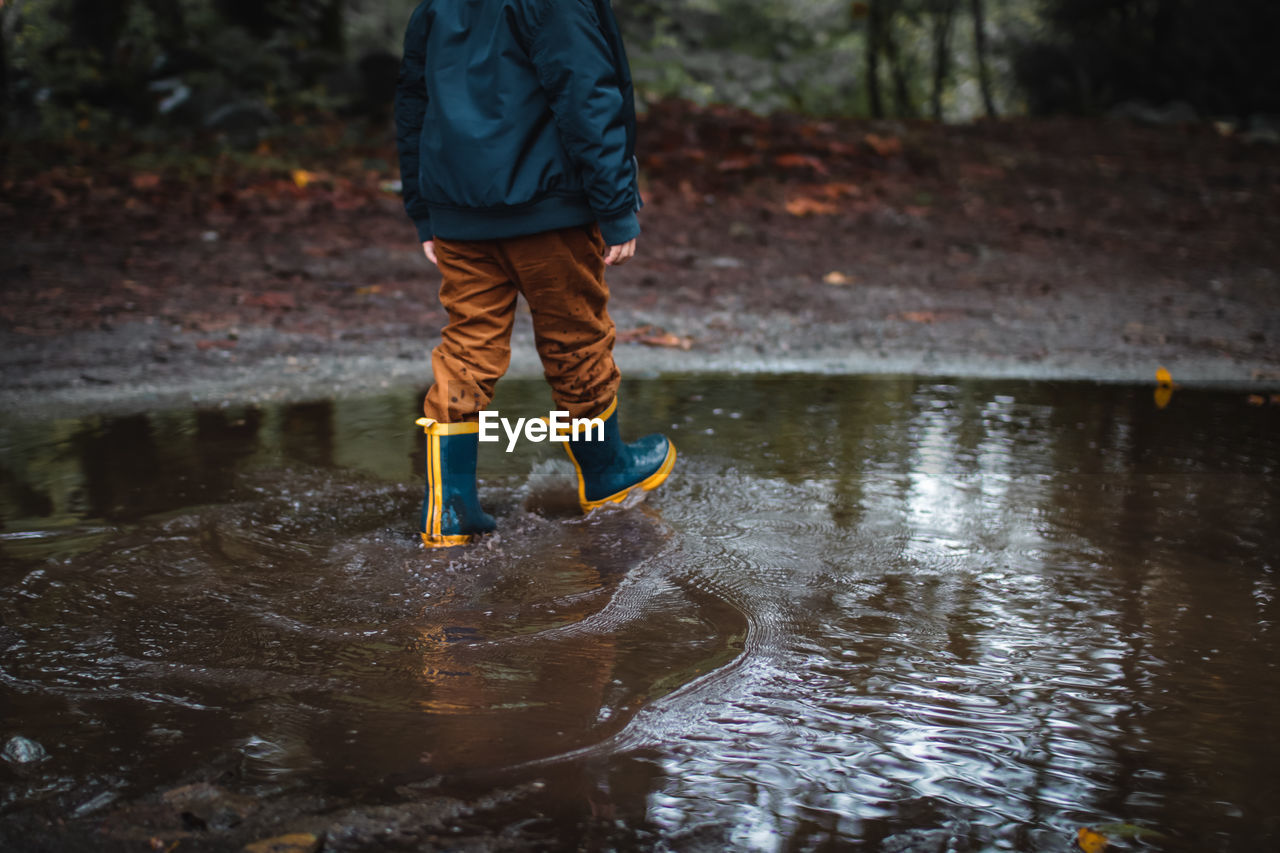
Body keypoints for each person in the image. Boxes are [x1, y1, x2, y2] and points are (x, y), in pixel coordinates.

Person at [394, 0, 676, 548]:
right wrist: (616, 205)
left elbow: (413, 101)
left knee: (467, 348)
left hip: (458, 209)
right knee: (576, 336)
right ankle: (607, 473)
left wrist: (424, 208)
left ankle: (448, 513)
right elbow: (586, 93)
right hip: (547, 208)